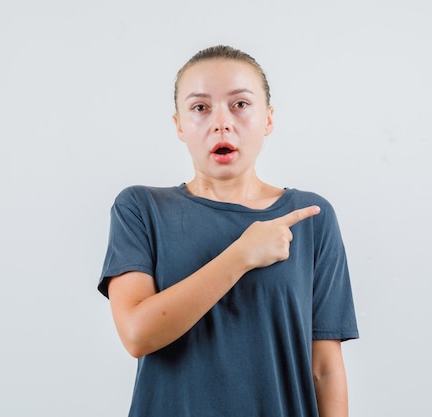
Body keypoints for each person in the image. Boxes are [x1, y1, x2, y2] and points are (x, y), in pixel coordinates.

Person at [98, 45, 359, 417]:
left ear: (268, 119)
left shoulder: (310, 217)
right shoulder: (140, 209)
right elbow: (137, 334)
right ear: (179, 126)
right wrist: (241, 256)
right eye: (200, 108)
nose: (221, 122)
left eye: (240, 104)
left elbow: (325, 369)